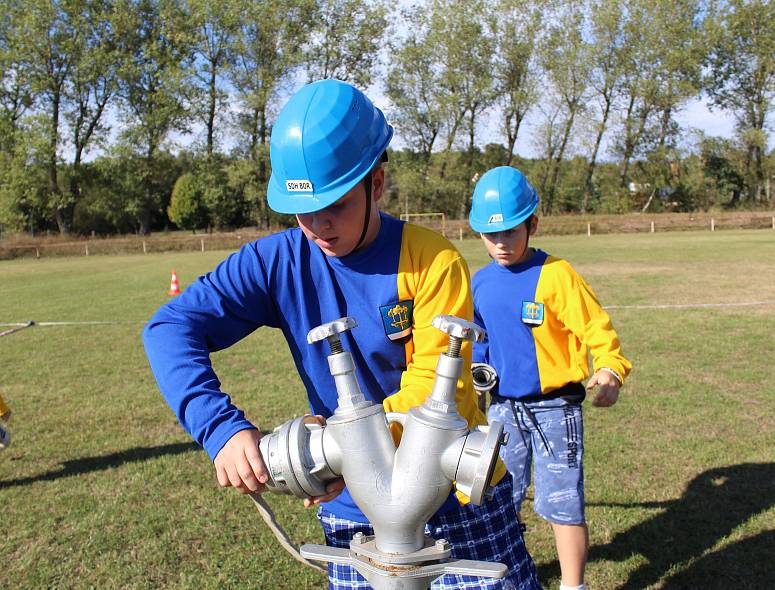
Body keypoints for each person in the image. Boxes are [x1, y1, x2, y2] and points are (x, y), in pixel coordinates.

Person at [143, 80, 541, 589]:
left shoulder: (432, 259)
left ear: (376, 184)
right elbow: (170, 328)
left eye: (336, 205)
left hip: (452, 495)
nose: (318, 225)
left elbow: (434, 396)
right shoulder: (276, 261)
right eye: (303, 209)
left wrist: (338, 451)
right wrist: (220, 430)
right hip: (353, 508)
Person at [469, 166, 632, 590]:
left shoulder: (557, 274)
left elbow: (597, 327)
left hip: (555, 410)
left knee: (563, 502)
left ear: (533, 224)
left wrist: (611, 367)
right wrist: (477, 373)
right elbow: (480, 339)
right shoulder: (481, 282)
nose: (501, 243)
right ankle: (509, 574)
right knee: (500, 498)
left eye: (510, 231)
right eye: (491, 235)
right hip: (505, 411)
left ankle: (572, 585)